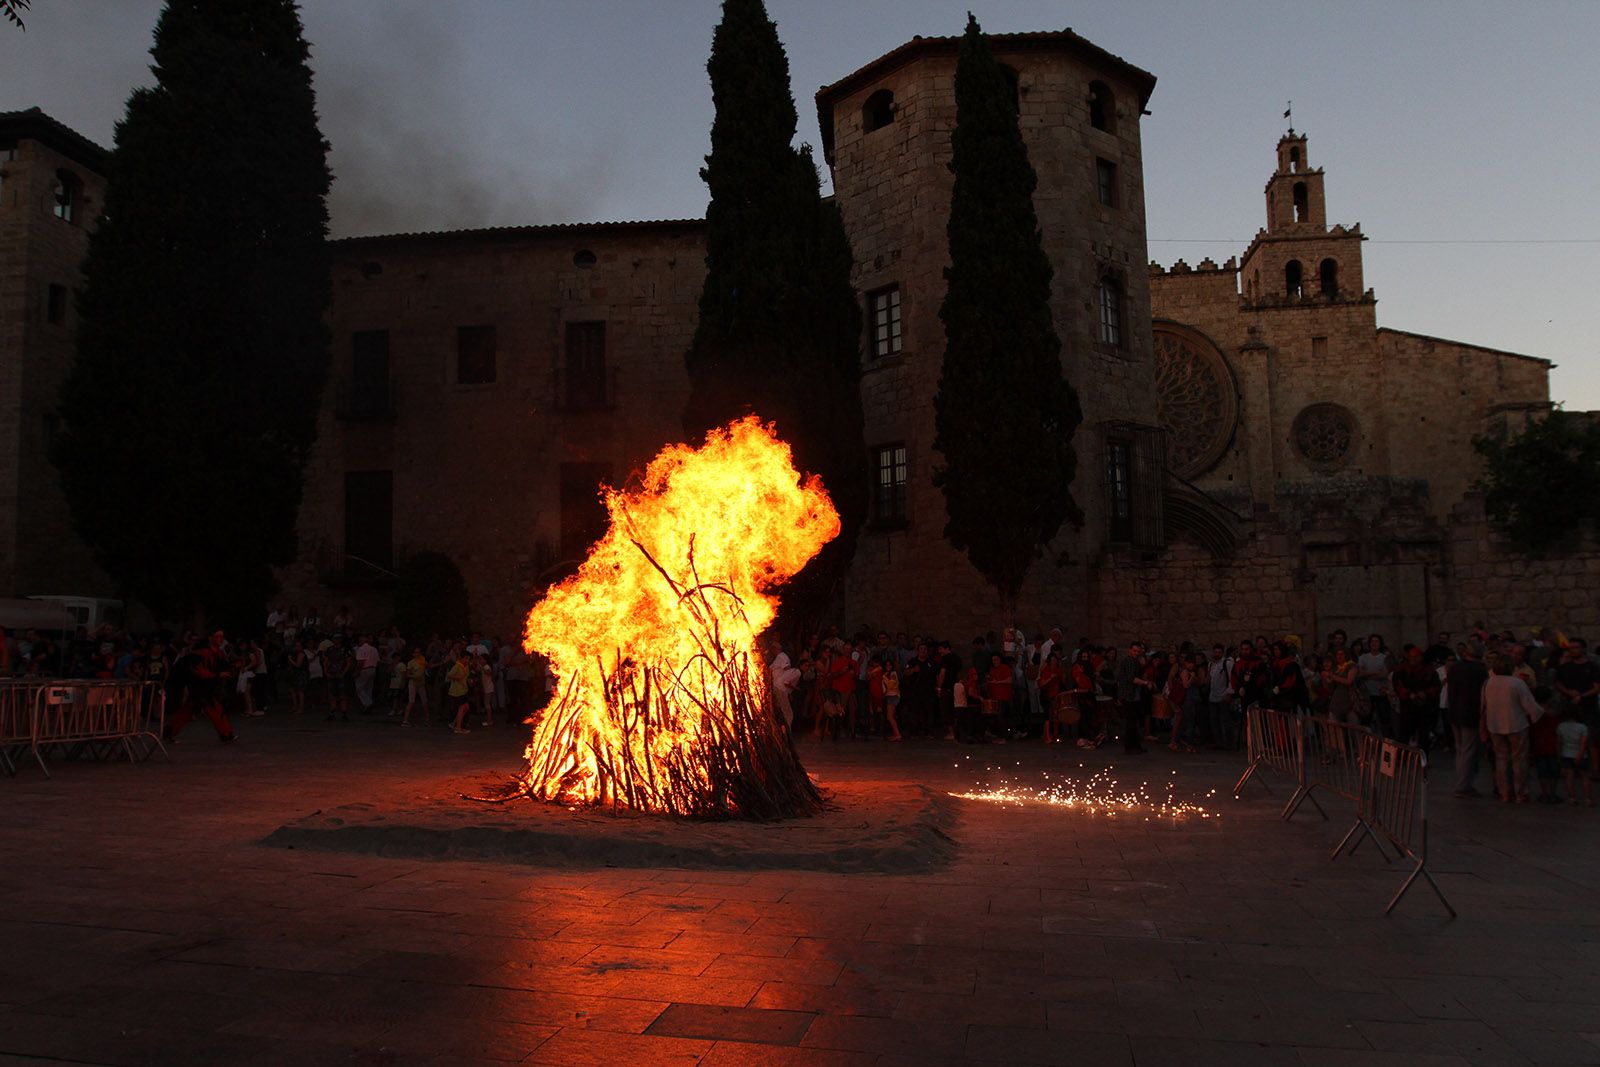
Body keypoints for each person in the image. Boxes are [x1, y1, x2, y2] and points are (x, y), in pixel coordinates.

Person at [1482, 655, 1546, 804]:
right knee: (1519, 760)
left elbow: (1483, 705)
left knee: (1501, 759)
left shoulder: (1488, 683)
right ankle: (1520, 792)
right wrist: (1540, 712)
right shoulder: (1517, 683)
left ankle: (1504, 793)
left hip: (1495, 724)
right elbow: (1529, 705)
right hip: (1516, 724)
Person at [164, 631, 236, 744]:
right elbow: (197, 670)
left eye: (222, 637)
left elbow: (224, 666)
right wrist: (217, 675)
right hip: (200, 687)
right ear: (210, 638)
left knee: (188, 711)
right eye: (218, 636)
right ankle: (227, 734)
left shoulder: (219, 653)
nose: (221, 639)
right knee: (214, 709)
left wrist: (231, 669)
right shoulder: (201, 653)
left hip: (205, 687)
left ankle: (168, 733)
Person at [1444, 643, 1489, 797]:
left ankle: (1463, 782)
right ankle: (1463, 785)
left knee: (1461, 749)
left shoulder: (1455, 668)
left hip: (1455, 712)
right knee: (1468, 750)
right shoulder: (1480, 671)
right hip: (1470, 713)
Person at [1557, 703, 1594, 806]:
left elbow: (1559, 743)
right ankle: (1588, 799)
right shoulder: (1582, 727)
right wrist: (1580, 755)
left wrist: (1559, 755)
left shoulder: (1561, 726)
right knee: (1585, 777)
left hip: (1566, 754)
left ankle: (1572, 798)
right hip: (1582, 755)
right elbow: (1583, 743)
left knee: (1569, 777)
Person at [447, 645, 473, 733]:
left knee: (466, 707)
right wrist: (458, 677)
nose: (467, 660)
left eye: (469, 659)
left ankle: (455, 723)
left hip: (463, 689)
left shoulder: (466, 666)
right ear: (461, 658)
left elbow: (466, 676)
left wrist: (469, 680)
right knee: (462, 707)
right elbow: (449, 675)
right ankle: (458, 727)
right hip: (457, 691)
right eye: (466, 658)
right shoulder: (457, 666)